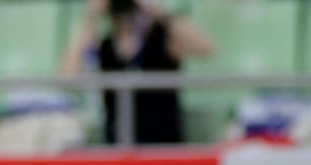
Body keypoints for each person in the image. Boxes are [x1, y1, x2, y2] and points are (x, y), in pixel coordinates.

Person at [61, 0, 214, 145]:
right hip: (119, 150)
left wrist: (154, 10)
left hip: (164, 149)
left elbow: (206, 47)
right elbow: (68, 77)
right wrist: (91, 17)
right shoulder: (105, 46)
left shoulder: (161, 37)